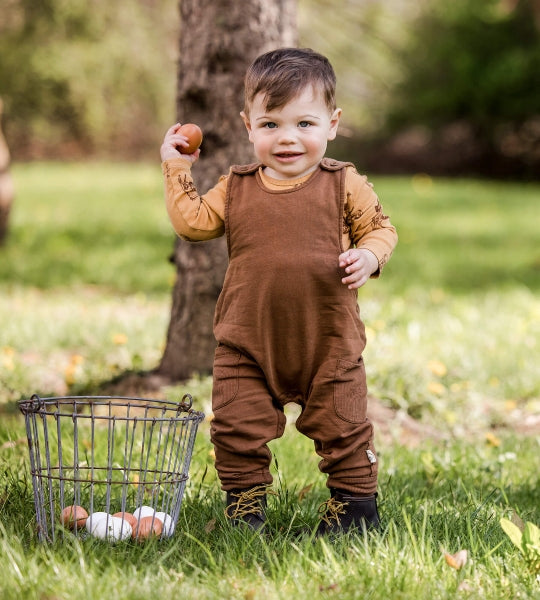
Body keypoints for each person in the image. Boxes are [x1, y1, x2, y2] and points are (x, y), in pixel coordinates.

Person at [160, 47, 397, 535]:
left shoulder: (343, 183)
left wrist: (370, 255)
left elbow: (381, 229)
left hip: (327, 340)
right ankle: (245, 508)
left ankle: (354, 509)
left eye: (304, 124)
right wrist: (177, 169)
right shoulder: (237, 186)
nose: (288, 138)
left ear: (332, 124)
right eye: (271, 125)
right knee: (235, 424)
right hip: (247, 340)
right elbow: (194, 224)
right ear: (248, 126)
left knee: (344, 426)